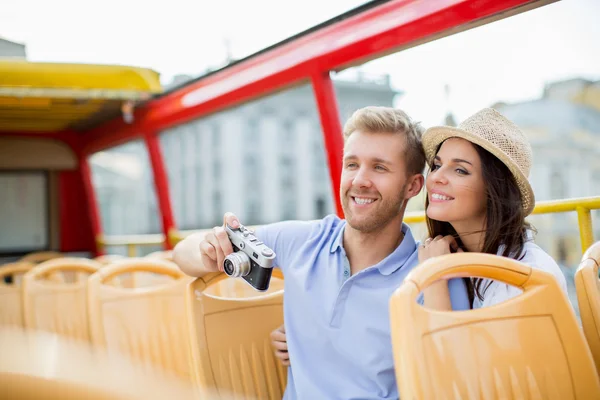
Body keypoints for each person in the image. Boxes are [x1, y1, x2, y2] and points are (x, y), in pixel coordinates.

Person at [173, 106, 471, 400]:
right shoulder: (303, 240)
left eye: (379, 167)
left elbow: (451, 381)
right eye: (352, 164)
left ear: (412, 186)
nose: (359, 180)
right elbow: (182, 253)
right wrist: (210, 248)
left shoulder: (434, 277)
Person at [418, 107, 568, 309]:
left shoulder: (524, 275)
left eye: (460, 170)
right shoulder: (461, 260)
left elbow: (444, 342)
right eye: (436, 166)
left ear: (495, 190)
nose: (435, 177)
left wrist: (433, 274)